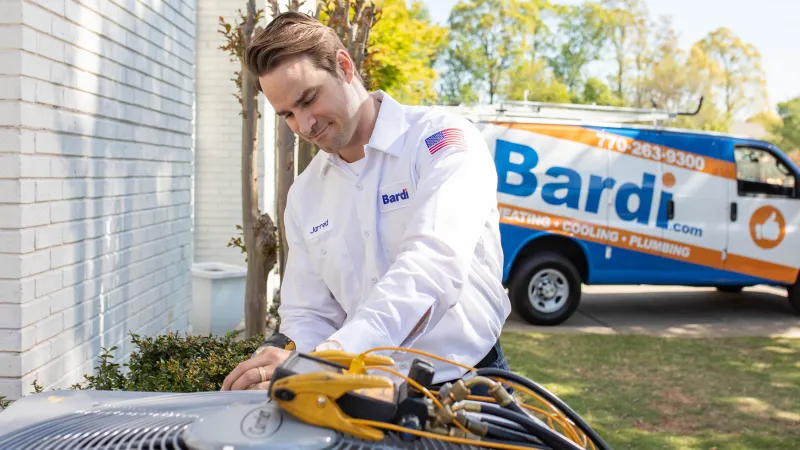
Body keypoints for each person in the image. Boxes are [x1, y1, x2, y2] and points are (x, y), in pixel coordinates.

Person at [221, 11, 511, 394]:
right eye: (288, 114)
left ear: (344, 65)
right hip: (358, 392)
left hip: (470, 386)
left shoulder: (441, 141)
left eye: (309, 99)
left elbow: (431, 267)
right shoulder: (305, 194)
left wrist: (330, 357)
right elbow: (309, 313)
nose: (304, 125)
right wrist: (286, 362)